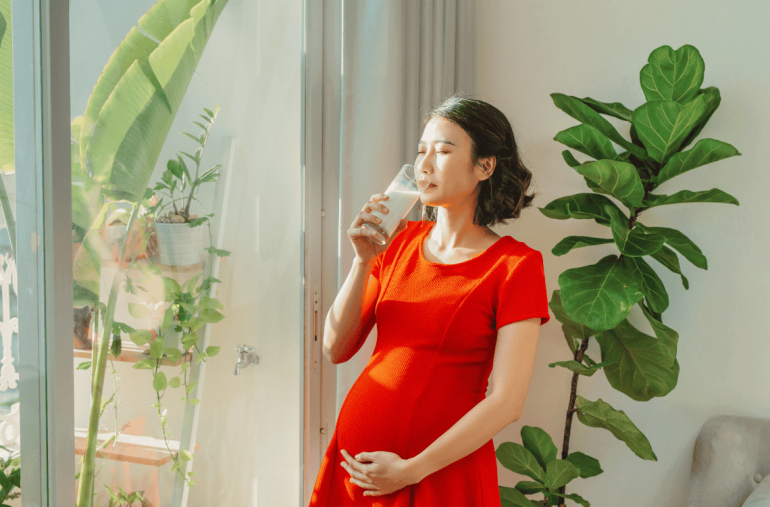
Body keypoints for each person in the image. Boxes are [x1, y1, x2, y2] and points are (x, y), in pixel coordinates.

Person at [308, 95, 551, 506]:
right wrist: (362, 262)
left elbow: (507, 401)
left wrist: (411, 469)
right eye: (421, 151)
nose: (424, 165)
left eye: (442, 151)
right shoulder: (395, 243)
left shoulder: (515, 266)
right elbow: (335, 348)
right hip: (355, 474)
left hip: (438, 478)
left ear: (484, 166)